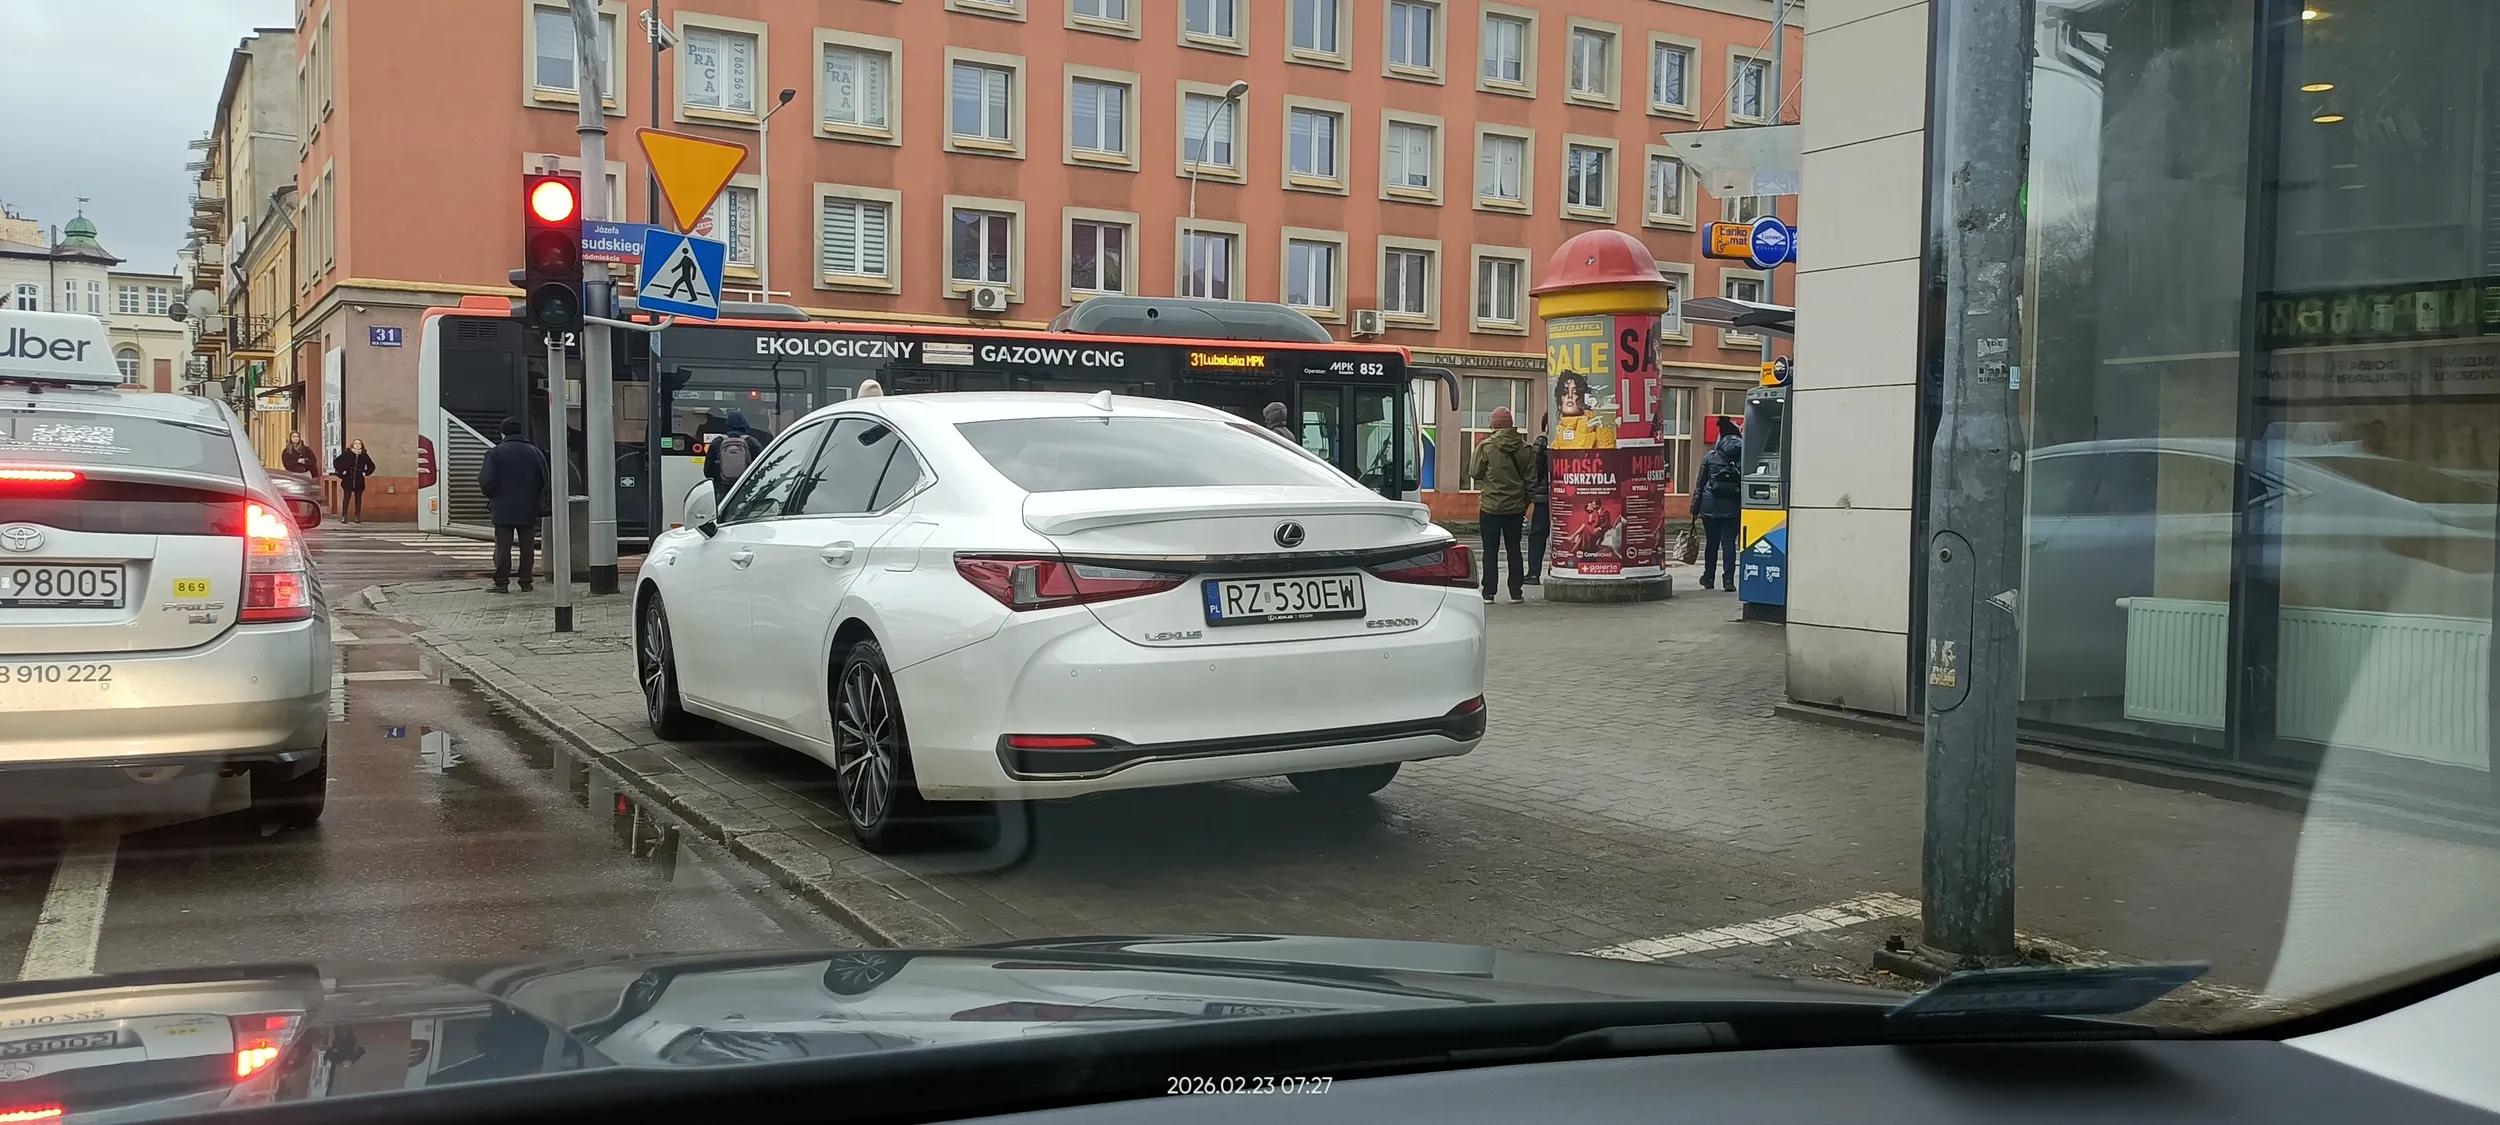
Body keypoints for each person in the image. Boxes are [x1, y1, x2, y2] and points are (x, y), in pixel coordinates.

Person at [1469, 406, 1536, 605]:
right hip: (1515, 508)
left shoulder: (1486, 446)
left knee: (1490, 550)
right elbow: (1531, 480)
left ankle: (1489, 592)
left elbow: (1474, 472)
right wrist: (1525, 502)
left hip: (1490, 506)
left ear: (1493, 425)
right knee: (1514, 549)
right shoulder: (1525, 449)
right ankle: (1516, 592)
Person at [478, 418, 550, 594]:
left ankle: (501, 582)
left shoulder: (495, 453)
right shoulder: (535, 452)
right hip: (529, 507)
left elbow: (487, 481)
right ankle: (526, 581)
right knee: (527, 547)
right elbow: (545, 479)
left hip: (503, 507)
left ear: (503, 433)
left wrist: (493, 495)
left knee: (503, 547)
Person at [1693, 424, 1746, 592]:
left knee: (1712, 542)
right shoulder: (1743, 457)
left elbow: (1700, 484)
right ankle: (1729, 581)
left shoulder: (1711, 456)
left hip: (1709, 506)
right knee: (1729, 542)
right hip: (1732, 507)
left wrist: (1694, 509)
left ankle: (1709, 578)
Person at [703, 410, 767, 502]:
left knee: (722, 513)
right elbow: (762, 466)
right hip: (746, 488)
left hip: (722, 489)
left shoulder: (718, 442)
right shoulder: (752, 442)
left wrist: (720, 479)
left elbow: (708, 470)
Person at [1549, 372, 1618, 450]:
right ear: (1559, 403)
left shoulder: (1601, 433)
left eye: (1575, 392)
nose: (1570, 396)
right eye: (1565, 393)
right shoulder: (1557, 438)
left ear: (1584, 398)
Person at [1526, 419, 1552, 584]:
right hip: (1568, 497)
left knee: (1537, 535)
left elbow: (1535, 470)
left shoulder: (1542, 443)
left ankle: (1534, 573)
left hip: (1543, 497)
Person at [332, 438, 376, 523]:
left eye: (359, 444)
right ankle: (344, 516)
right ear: (353, 445)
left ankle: (357, 516)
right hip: (348, 479)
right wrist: (342, 471)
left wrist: (366, 473)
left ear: (362, 446)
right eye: (356, 443)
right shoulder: (347, 454)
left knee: (358, 499)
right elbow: (337, 462)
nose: (357, 445)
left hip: (359, 480)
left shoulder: (364, 455)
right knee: (346, 498)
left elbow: (372, 466)